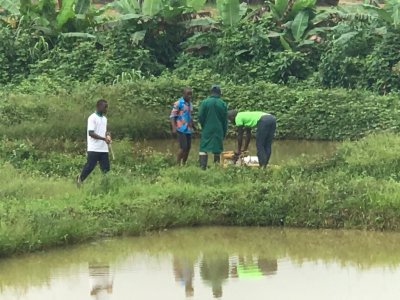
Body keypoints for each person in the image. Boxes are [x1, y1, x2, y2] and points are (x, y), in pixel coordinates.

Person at [77, 99, 111, 185]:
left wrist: (108, 136)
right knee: (90, 166)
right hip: (94, 148)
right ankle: (79, 180)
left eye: (106, 107)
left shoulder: (104, 119)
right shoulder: (92, 118)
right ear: (98, 107)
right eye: (104, 107)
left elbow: (106, 131)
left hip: (103, 149)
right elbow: (91, 133)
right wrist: (104, 139)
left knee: (106, 168)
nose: (106, 109)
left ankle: (105, 185)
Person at [198, 85, 228, 170]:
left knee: (203, 147)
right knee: (217, 148)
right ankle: (216, 167)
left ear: (210, 92)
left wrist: (204, 125)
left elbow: (200, 116)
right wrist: (224, 131)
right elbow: (224, 120)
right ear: (219, 93)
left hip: (207, 128)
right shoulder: (222, 103)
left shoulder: (205, 102)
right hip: (219, 129)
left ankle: (202, 167)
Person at [170, 87, 194, 165]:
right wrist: (174, 128)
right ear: (183, 94)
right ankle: (177, 164)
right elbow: (172, 116)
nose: (190, 96)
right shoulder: (178, 103)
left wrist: (193, 126)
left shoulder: (190, 104)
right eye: (188, 94)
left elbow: (190, 116)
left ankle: (184, 163)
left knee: (188, 148)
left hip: (188, 129)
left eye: (191, 94)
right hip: (181, 128)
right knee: (183, 147)